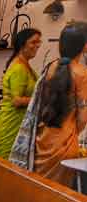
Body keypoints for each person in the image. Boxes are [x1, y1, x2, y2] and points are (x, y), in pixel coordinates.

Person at [33, 22, 87, 186]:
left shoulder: (50, 67)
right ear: (84, 46)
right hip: (65, 141)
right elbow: (83, 117)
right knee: (58, 196)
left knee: (39, 189)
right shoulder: (82, 73)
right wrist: (73, 132)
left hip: (44, 138)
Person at [0, 28, 42, 160]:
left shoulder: (25, 65)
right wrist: (41, 99)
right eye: (33, 42)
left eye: (39, 42)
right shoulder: (19, 68)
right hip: (9, 126)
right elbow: (17, 101)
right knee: (5, 169)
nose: (37, 45)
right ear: (22, 45)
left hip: (17, 125)